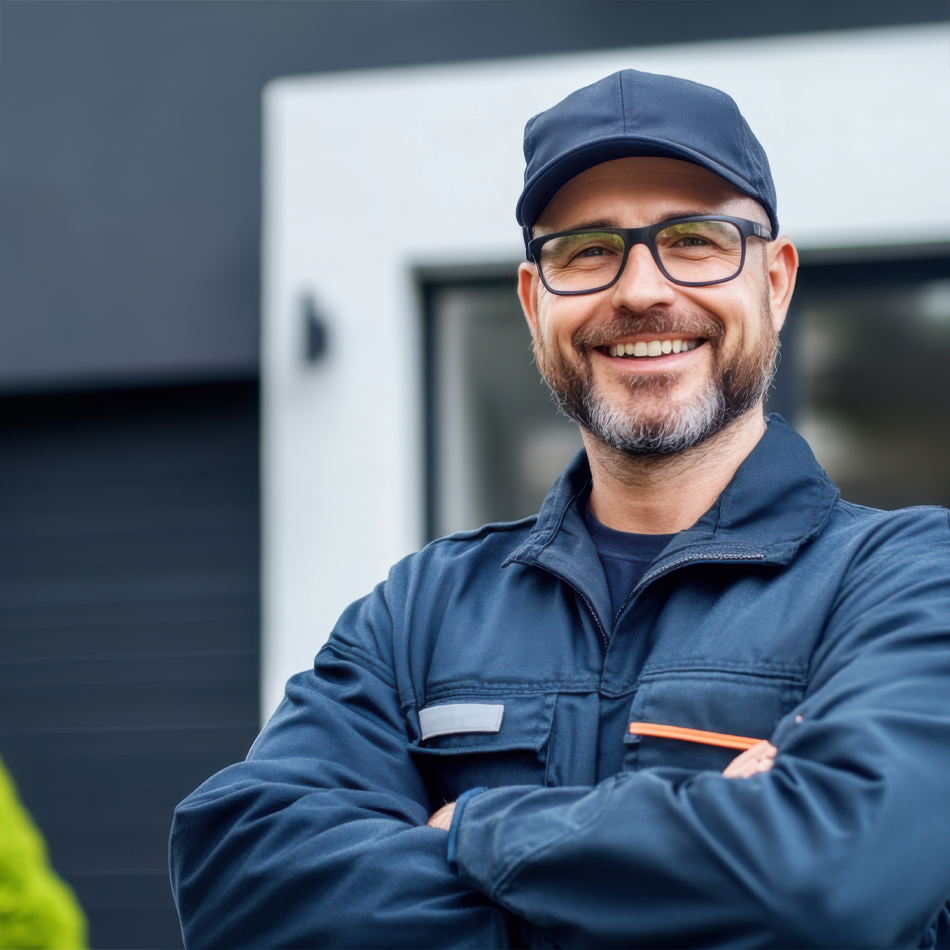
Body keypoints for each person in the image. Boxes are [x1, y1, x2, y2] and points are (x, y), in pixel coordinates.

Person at [169, 69, 950, 948]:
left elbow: (833, 880)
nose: (641, 290)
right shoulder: (422, 610)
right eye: (585, 249)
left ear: (775, 280)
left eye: (695, 239)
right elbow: (242, 878)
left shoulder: (911, 583)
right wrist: (714, 869)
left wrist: (468, 829)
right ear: (535, 301)